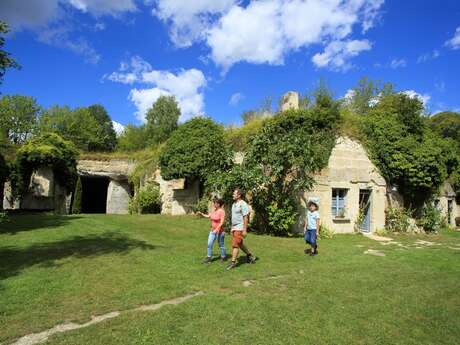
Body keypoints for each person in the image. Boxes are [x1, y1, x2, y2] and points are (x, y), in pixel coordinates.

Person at [226, 189, 256, 270]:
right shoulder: (234, 204)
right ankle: (250, 256)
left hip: (240, 227)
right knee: (240, 243)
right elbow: (233, 217)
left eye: (234, 194)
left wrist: (244, 229)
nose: (233, 195)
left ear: (239, 195)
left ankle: (233, 262)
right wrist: (232, 228)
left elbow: (245, 217)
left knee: (235, 245)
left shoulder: (243, 204)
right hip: (234, 227)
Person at [197, 198, 226, 263]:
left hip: (220, 231)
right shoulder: (214, 210)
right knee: (209, 244)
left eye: (215, 203)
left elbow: (222, 222)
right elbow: (209, 216)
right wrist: (201, 214)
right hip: (212, 231)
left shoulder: (222, 211)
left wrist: (217, 229)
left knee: (221, 244)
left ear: (218, 204)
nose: (214, 204)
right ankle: (208, 257)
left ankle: (223, 257)